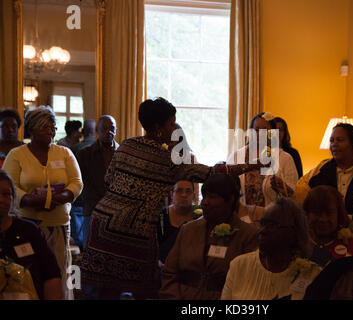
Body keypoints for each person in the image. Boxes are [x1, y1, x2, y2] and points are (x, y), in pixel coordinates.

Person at [80, 97, 263, 300]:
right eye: (170, 124)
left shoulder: (126, 145)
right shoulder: (168, 159)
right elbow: (212, 172)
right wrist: (252, 165)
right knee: (144, 291)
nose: (173, 128)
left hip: (101, 224)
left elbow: (108, 180)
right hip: (135, 230)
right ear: (159, 127)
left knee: (103, 292)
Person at [3, 106, 83, 300]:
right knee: (30, 272)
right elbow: (9, 184)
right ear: (31, 129)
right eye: (45, 127)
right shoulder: (17, 155)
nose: (51, 131)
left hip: (58, 225)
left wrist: (63, 196)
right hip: (27, 224)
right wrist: (29, 199)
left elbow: (77, 182)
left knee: (59, 271)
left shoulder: (64, 153)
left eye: (53, 127)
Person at [160, 174, 258, 300]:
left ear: (230, 200)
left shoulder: (248, 234)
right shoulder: (188, 230)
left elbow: (249, 283)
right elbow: (169, 273)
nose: (205, 202)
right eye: (204, 196)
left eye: (212, 197)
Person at [221, 197, 321, 300]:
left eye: (272, 225)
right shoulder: (239, 266)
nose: (262, 231)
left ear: (294, 232)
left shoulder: (311, 274)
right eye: (262, 224)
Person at [0, 168, 62, 300]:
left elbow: (51, 276)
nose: (1, 200)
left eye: (6, 194)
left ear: (13, 198)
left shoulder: (29, 230)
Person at [227, 112, 298, 207]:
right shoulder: (236, 156)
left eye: (265, 130)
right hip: (242, 217)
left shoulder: (285, 158)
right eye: (257, 130)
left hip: (272, 218)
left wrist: (281, 186)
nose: (260, 134)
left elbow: (293, 196)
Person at [72, 115, 118, 251]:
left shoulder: (122, 153)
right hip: (92, 209)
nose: (109, 132)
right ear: (97, 131)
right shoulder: (84, 154)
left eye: (112, 129)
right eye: (104, 128)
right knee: (91, 251)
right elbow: (81, 183)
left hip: (116, 212)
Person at [303, 185, 353, 267]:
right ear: (307, 214)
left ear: (339, 215)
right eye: (317, 212)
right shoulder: (297, 245)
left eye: (329, 213)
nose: (323, 219)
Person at [158, 180, 201, 266]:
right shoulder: (161, 215)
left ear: (194, 195)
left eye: (188, 191)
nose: (184, 195)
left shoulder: (200, 215)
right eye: (179, 191)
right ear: (171, 195)